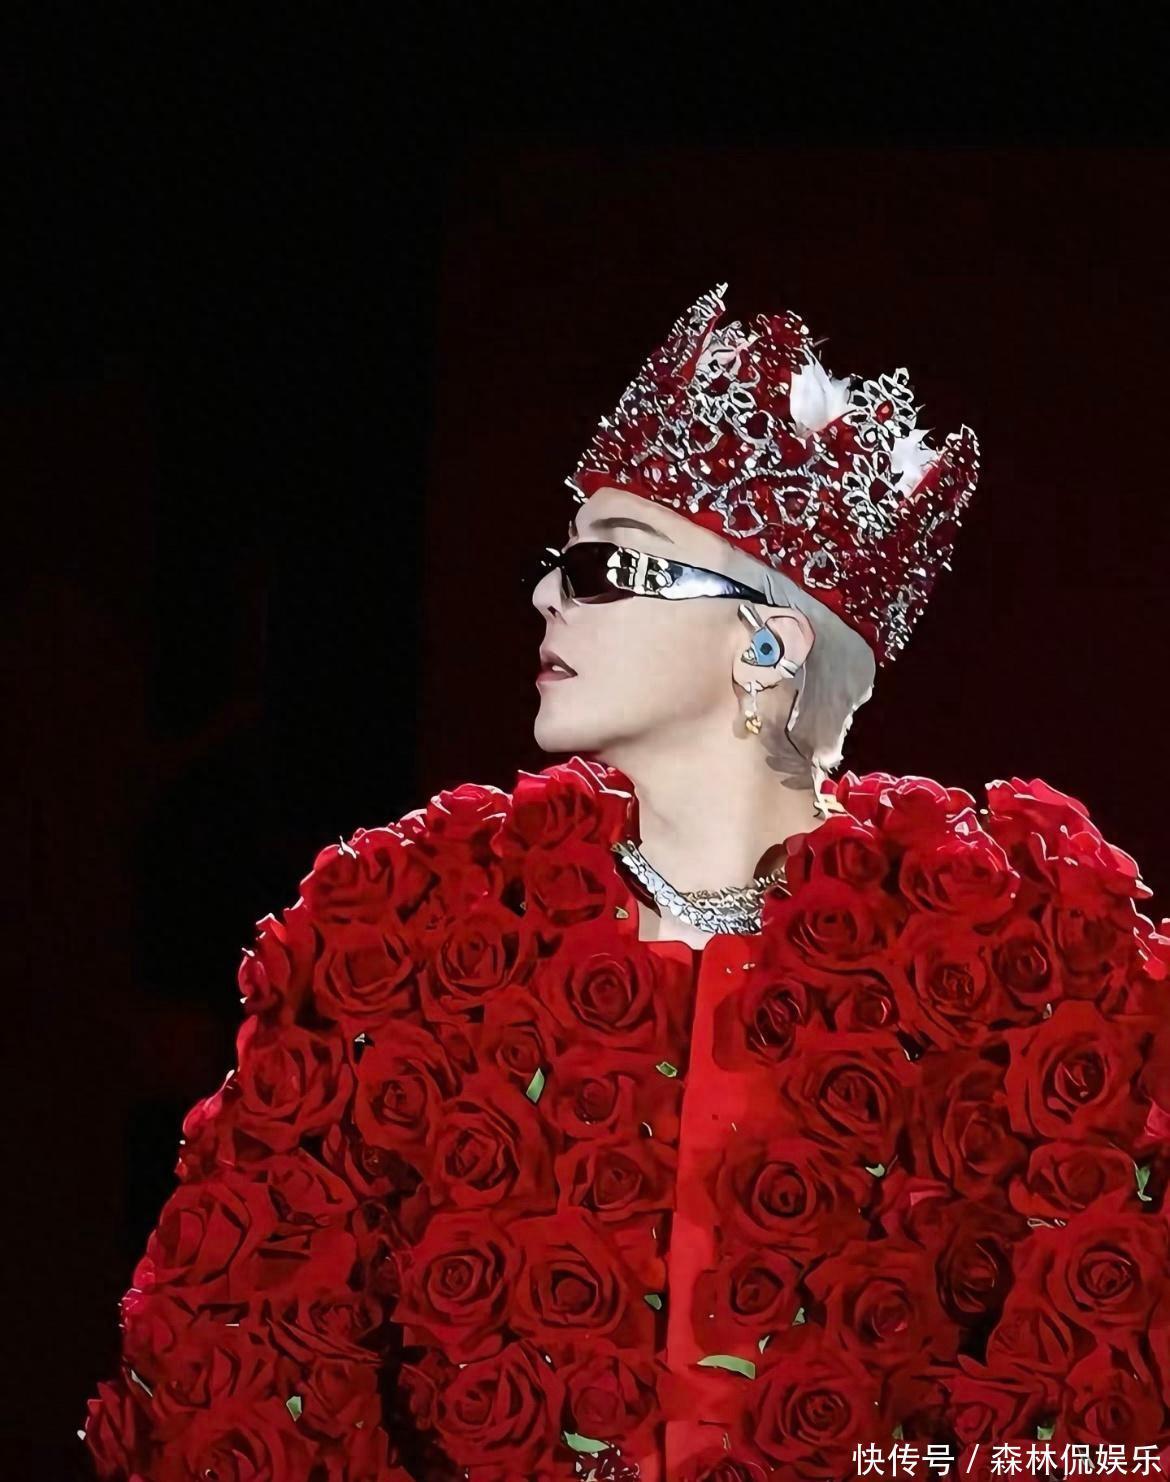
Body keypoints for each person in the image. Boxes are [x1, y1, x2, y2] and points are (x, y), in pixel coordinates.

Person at [83, 286, 1170, 1482]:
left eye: (605, 565)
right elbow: (230, 1355)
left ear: (767, 645)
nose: (547, 595)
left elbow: (1107, 1410)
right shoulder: (412, 921)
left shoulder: (1022, 948)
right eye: (557, 560)